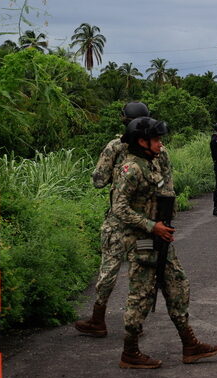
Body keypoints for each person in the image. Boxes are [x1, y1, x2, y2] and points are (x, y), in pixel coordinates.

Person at [111, 117, 217, 369]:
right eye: (157, 139)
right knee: (141, 296)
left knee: (177, 286)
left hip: (160, 238)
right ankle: (130, 352)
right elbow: (119, 208)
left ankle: (189, 344)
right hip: (142, 241)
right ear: (142, 141)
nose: (161, 144)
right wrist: (152, 226)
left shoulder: (151, 163)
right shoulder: (132, 169)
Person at [75, 101, 150, 337]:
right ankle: (135, 322)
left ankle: (98, 320)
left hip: (118, 222)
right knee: (143, 271)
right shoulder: (157, 147)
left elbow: (98, 180)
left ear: (124, 120)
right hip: (147, 223)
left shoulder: (115, 146)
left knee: (109, 269)